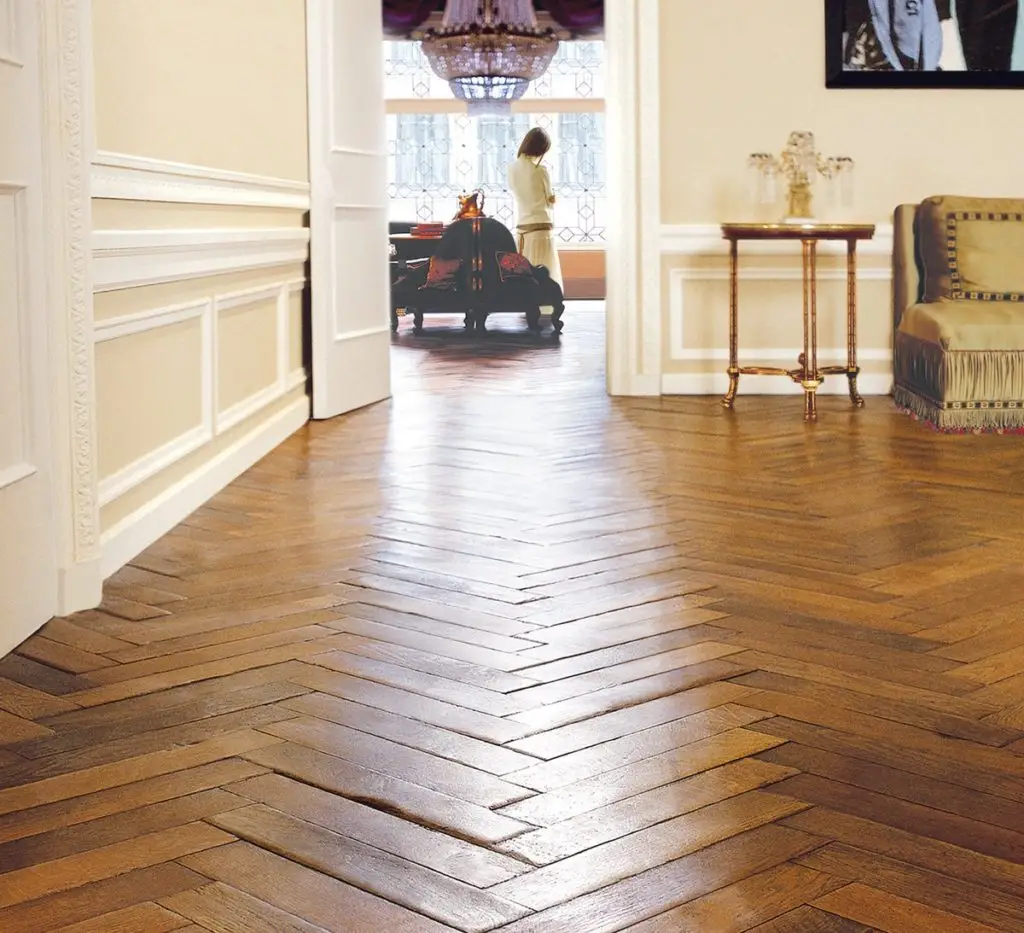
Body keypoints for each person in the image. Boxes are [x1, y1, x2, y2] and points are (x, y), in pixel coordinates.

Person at [507, 127, 563, 290]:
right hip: (541, 226)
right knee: (546, 273)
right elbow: (549, 201)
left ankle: (526, 302)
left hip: (522, 228)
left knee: (525, 272)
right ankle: (547, 303)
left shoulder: (511, 168)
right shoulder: (541, 171)